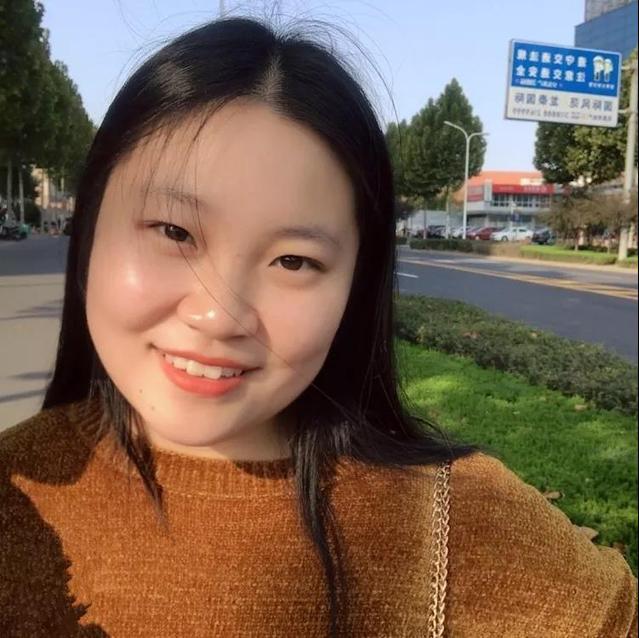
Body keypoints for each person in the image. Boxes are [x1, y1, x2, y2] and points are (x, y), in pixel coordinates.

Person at [0, 16, 636, 638]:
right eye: (175, 232)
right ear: (90, 229)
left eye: (294, 261)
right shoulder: (14, 494)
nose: (219, 316)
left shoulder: (469, 528)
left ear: (355, 284)